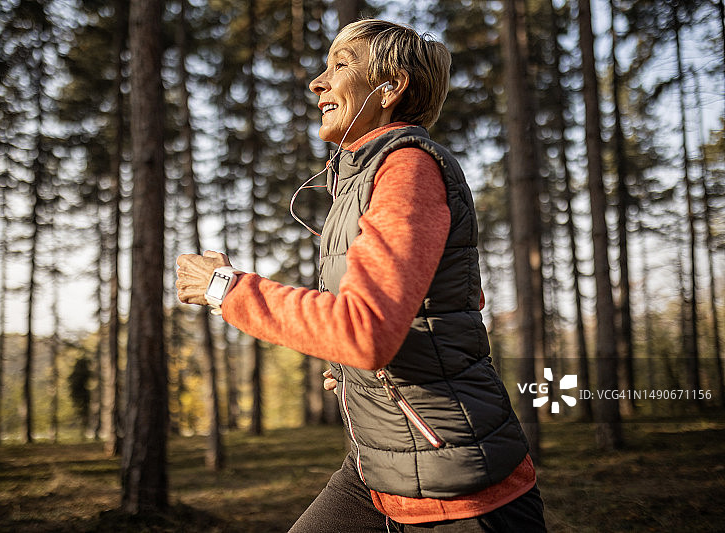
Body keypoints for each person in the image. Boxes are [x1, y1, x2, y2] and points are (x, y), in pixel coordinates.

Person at [176, 19, 546, 533]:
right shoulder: (360, 179)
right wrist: (354, 370)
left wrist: (226, 288)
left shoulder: (408, 169)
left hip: (459, 488)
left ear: (390, 87)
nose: (317, 83)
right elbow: (412, 320)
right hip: (379, 466)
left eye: (340, 65)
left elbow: (365, 330)